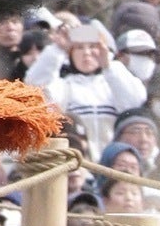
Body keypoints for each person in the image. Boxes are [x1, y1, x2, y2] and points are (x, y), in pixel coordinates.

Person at [25, 24, 146, 160]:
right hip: (77, 163)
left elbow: (135, 102)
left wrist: (109, 66)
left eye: (93, 47)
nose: (86, 53)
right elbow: (35, 88)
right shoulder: (64, 86)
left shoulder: (114, 81)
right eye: (79, 48)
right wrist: (57, 50)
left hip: (113, 163)